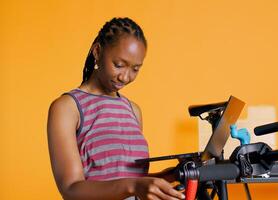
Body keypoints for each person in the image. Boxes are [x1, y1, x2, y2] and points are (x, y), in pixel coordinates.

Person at [47, 17, 185, 200]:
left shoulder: (133, 110)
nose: (125, 77)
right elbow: (71, 189)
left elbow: (129, 181)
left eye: (135, 69)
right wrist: (135, 185)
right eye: (119, 65)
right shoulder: (67, 108)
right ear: (97, 52)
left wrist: (166, 178)